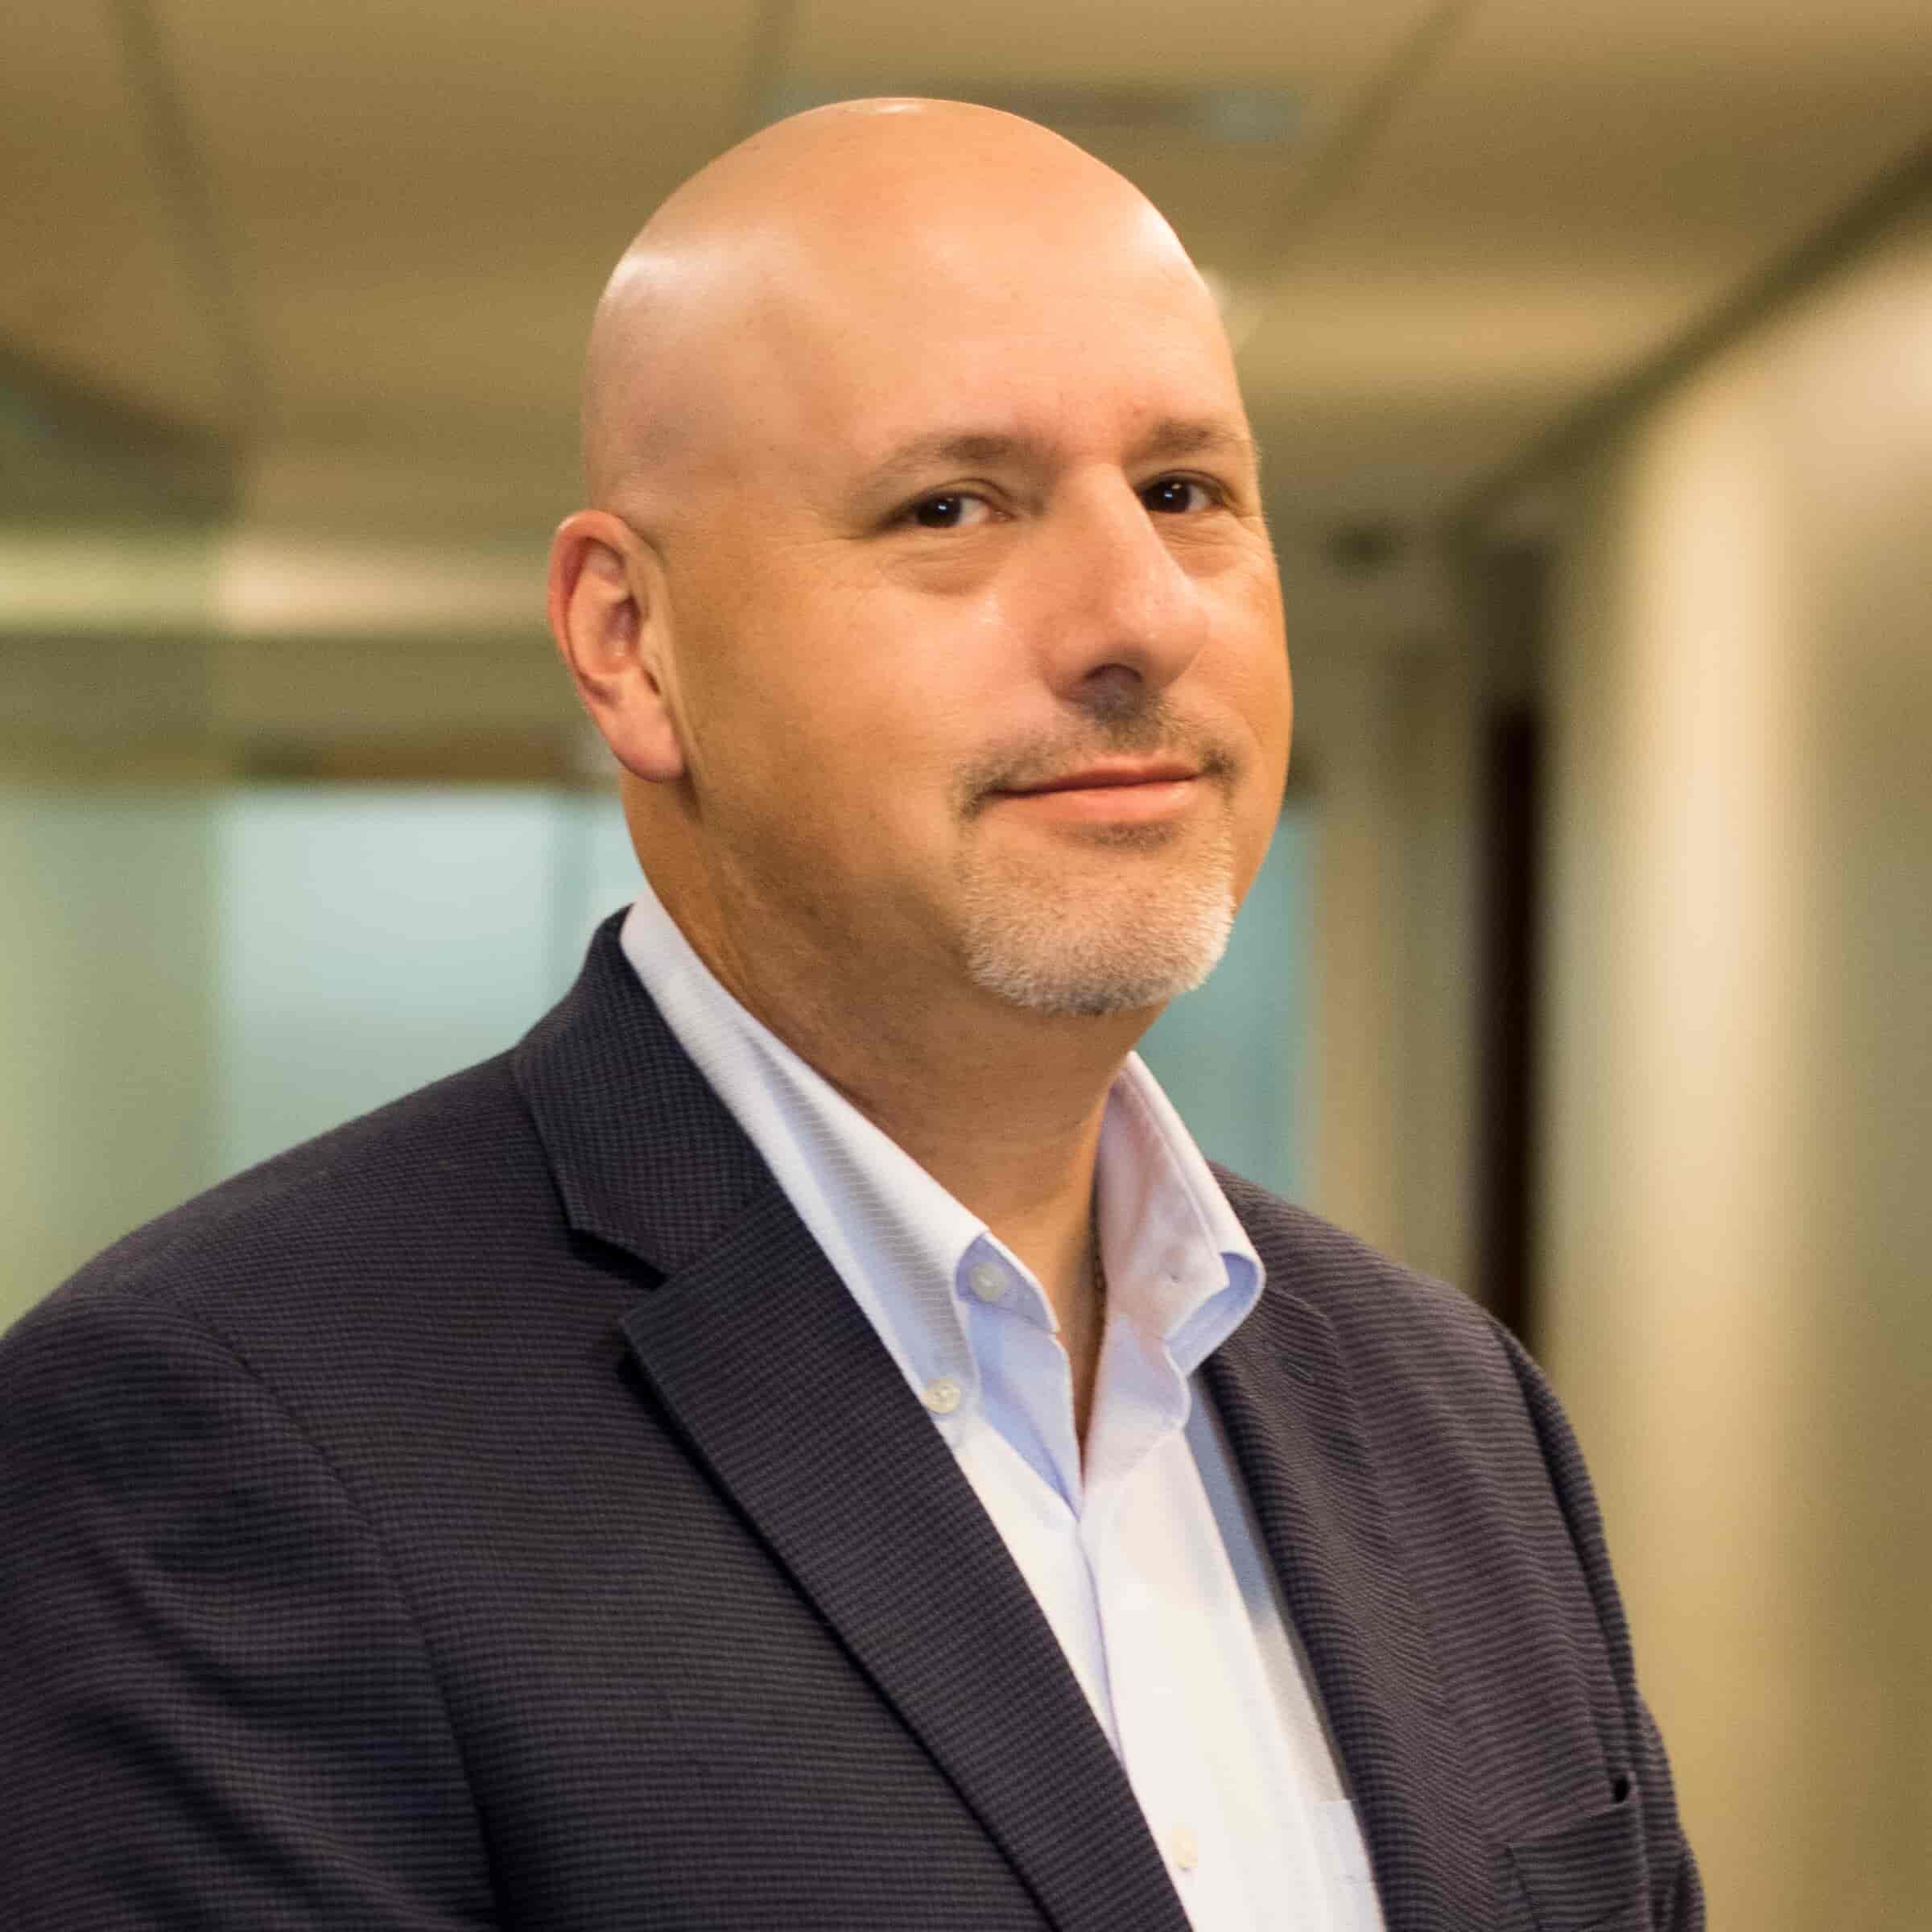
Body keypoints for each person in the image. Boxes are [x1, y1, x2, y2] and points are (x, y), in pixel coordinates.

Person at [0, 99, 1699, 1932]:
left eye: (1187, 493)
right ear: (630, 644)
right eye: (951, 506)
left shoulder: (1454, 1410)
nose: (1135, 613)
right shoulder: (229, 1429)